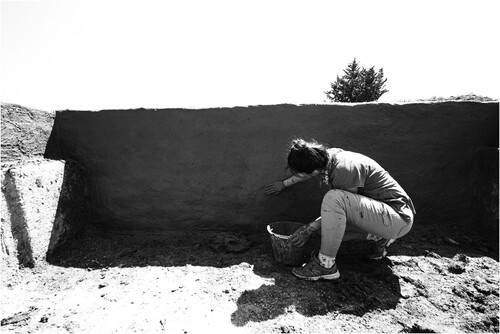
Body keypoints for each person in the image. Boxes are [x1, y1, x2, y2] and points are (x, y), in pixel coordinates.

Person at [265, 138, 415, 281]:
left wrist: (308, 229)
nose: (300, 175)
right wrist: (284, 184)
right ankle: (379, 237)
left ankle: (325, 266)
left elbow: (344, 209)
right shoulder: (327, 157)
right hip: (383, 215)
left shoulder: (343, 170)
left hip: (397, 218)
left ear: (314, 169)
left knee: (334, 198)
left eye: (303, 172)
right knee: (329, 230)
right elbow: (307, 172)